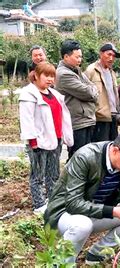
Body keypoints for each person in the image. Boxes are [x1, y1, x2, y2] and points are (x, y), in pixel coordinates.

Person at [43, 129, 120, 264]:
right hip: (65, 215)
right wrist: (113, 211)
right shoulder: (85, 157)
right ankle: (62, 264)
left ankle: (96, 254)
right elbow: (73, 203)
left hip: (95, 213)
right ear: (115, 151)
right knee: (83, 225)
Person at [19, 62, 73, 214]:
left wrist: (64, 136)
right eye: (46, 75)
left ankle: (53, 199)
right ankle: (38, 204)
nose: (50, 79)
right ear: (36, 75)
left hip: (55, 139)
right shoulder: (29, 94)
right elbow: (27, 119)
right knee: (37, 175)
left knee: (53, 174)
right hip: (38, 142)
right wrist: (33, 142)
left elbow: (62, 117)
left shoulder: (54, 94)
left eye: (52, 76)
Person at [56, 40, 99, 159]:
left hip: (85, 119)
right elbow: (88, 92)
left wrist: (92, 90)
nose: (80, 60)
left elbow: (93, 87)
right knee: (77, 157)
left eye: (81, 56)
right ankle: (72, 178)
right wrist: (93, 90)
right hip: (77, 122)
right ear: (66, 56)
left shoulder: (76, 70)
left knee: (86, 156)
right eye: (77, 57)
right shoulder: (64, 74)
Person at [85, 43, 120, 142]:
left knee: (112, 147)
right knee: (101, 147)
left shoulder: (112, 72)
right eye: (108, 54)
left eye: (113, 56)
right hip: (100, 117)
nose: (111, 58)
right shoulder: (91, 70)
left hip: (113, 116)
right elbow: (85, 93)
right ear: (101, 54)